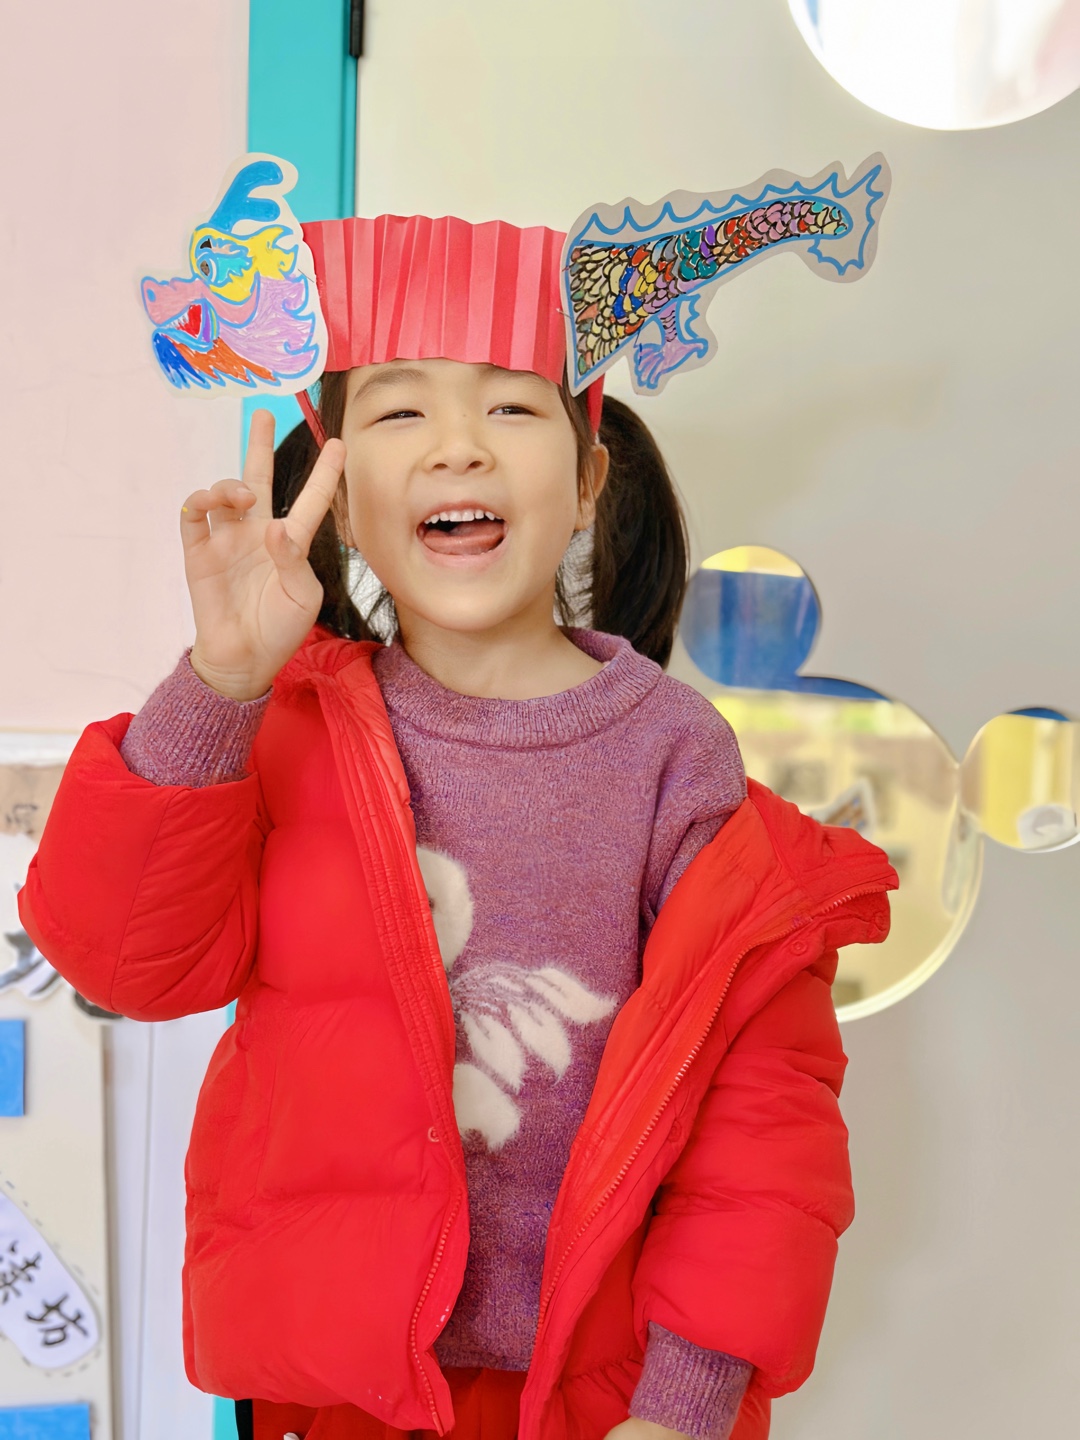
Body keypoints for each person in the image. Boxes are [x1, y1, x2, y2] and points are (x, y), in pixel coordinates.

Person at [20, 206, 896, 1440]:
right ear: (341, 498)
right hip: (336, 1397)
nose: (457, 448)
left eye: (512, 407)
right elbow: (123, 962)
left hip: (594, 1397)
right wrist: (220, 685)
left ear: (587, 481)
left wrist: (687, 1401)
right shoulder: (283, 728)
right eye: (398, 414)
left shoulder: (672, 756)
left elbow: (764, 1110)